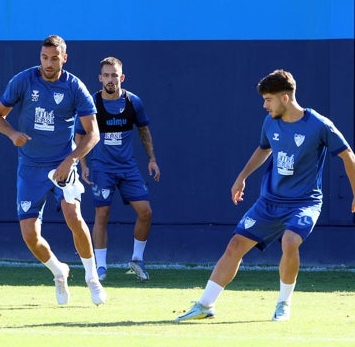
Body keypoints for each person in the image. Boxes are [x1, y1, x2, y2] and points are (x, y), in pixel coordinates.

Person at [175, 69, 355, 322]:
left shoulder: (319, 125)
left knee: (290, 241)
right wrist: (242, 177)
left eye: (268, 99)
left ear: (284, 98)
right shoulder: (270, 121)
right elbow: (263, 149)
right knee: (235, 245)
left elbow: (349, 156)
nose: (264, 105)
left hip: (304, 203)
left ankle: (283, 303)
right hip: (269, 202)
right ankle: (205, 305)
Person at [0, 35, 107, 306]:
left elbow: (93, 134)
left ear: (64, 58)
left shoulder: (74, 87)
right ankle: (59, 271)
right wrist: (12, 134)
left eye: (54, 58)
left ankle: (92, 278)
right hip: (30, 167)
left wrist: (72, 160)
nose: (48, 63)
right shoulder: (23, 80)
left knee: (74, 216)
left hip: (62, 165)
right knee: (29, 234)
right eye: (45, 57)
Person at [75, 57, 160, 282]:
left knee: (146, 212)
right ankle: (100, 267)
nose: (111, 79)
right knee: (101, 214)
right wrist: (82, 164)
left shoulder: (134, 102)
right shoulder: (91, 103)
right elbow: (79, 135)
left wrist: (152, 159)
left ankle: (136, 259)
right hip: (102, 168)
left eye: (115, 75)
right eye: (107, 75)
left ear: (122, 77)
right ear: (100, 78)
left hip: (128, 167)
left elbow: (144, 130)